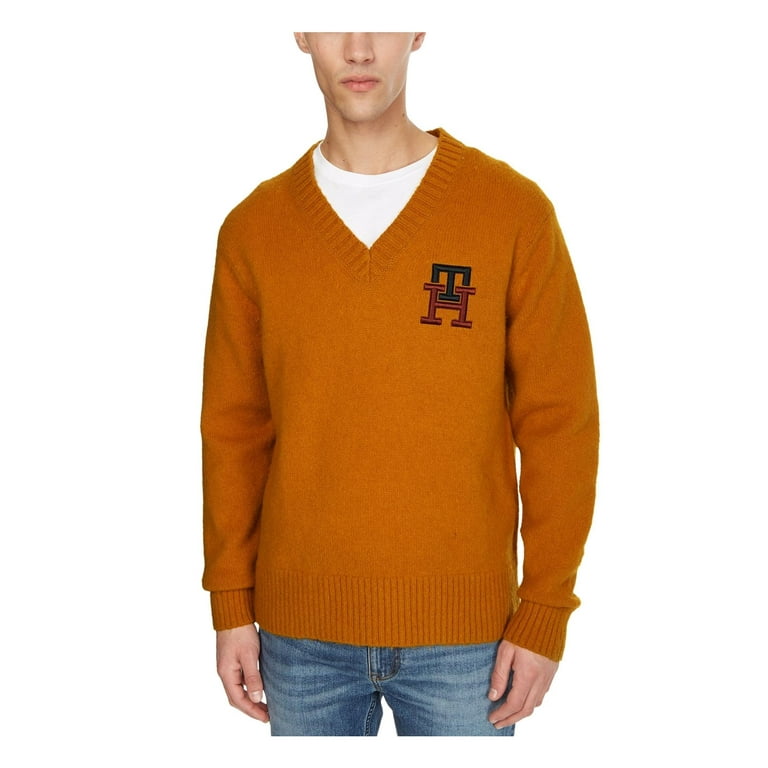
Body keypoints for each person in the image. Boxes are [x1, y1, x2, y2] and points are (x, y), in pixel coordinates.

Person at [201, 31, 599, 737]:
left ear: (418, 29)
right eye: (336, 21)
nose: (359, 48)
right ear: (301, 32)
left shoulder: (509, 211)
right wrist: (230, 603)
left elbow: (559, 422)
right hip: (298, 639)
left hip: (469, 643)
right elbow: (234, 430)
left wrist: (545, 608)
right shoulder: (254, 229)